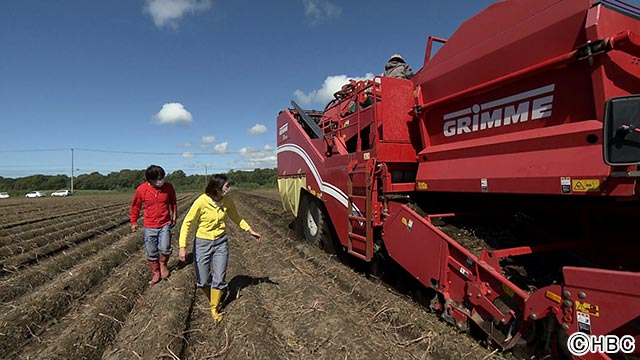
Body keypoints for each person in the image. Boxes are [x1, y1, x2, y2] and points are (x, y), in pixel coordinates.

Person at [179, 174, 262, 322]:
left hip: (220, 243)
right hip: (202, 243)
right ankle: (217, 295)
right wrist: (182, 246)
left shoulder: (227, 201)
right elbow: (187, 223)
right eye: (226, 186)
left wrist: (249, 230)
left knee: (219, 276)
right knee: (203, 281)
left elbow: (236, 217)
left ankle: (214, 309)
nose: (229, 189)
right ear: (216, 188)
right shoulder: (201, 201)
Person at [130, 165, 177, 285]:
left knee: (165, 248)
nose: (160, 181)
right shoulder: (142, 190)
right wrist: (134, 222)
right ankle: (155, 271)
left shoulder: (168, 187)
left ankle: (163, 264)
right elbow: (135, 206)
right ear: (150, 180)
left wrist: (174, 215)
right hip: (150, 225)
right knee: (151, 251)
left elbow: (173, 202)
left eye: (162, 178)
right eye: (157, 179)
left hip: (165, 223)